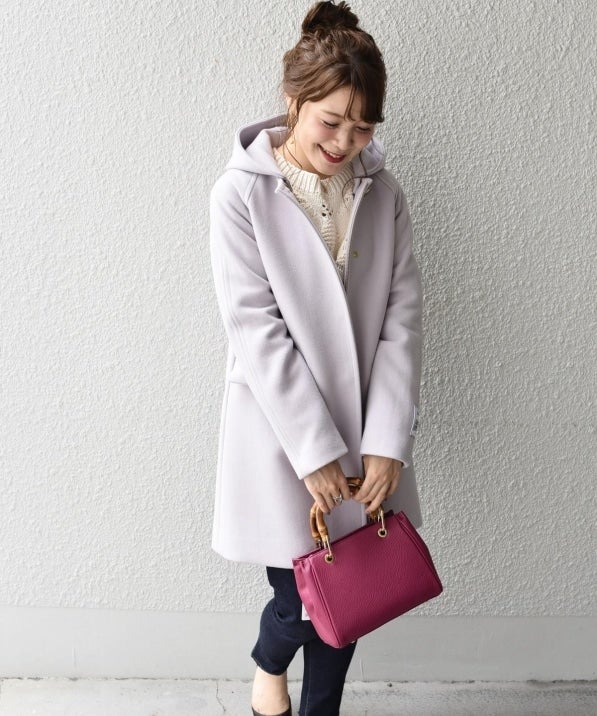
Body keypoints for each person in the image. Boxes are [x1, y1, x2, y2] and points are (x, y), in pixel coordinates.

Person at [209, 2, 423, 714]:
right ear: (293, 99)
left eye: (362, 128)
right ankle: (267, 664)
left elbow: (401, 321)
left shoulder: (383, 195)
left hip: (365, 433)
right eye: (331, 121)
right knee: (298, 602)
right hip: (282, 437)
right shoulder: (240, 195)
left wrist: (387, 442)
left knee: (351, 600)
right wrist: (314, 451)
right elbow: (255, 331)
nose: (345, 142)